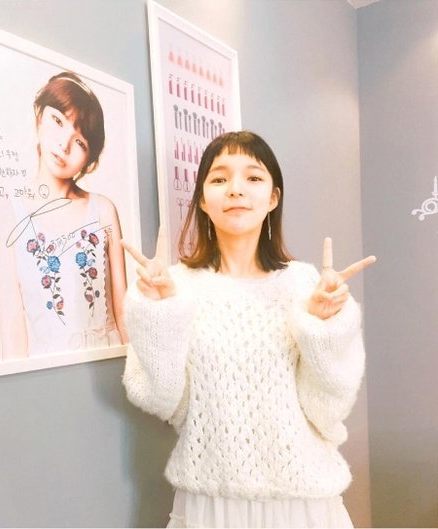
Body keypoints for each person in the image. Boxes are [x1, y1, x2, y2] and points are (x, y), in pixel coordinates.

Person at [121, 131, 376, 528]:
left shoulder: (306, 285)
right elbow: (163, 401)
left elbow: (328, 408)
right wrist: (159, 313)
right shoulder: (172, 287)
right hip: (211, 500)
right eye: (220, 178)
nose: (236, 189)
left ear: (273, 197)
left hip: (302, 499)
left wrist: (323, 326)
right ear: (202, 200)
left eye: (253, 177)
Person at [0, 71, 128, 359]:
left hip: (109, 369)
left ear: (89, 159)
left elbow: (124, 317)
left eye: (80, 142)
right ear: (39, 116)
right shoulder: (1, 213)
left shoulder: (103, 210)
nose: (64, 144)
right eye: (58, 121)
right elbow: (12, 334)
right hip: (49, 375)